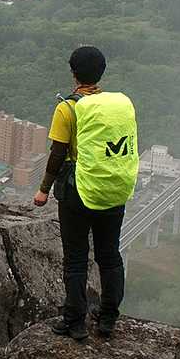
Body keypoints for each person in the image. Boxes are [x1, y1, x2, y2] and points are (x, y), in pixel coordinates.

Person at [32, 45, 139, 340]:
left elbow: (57, 154)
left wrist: (43, 191)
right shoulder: (116, 106)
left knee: (76, 259)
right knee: (109, 255)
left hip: (77, 191)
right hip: (112, 188)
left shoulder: (67, 108)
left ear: (74, 74)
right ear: (101, 72)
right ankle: (108, 318)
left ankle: (75, 322)